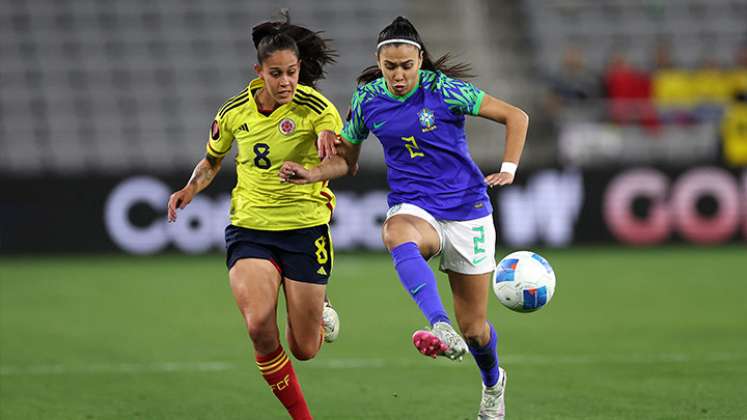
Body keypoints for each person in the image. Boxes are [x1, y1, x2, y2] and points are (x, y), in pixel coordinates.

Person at [280, 16, 528, 420]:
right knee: (396, 233)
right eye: (390, 66)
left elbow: (516, 116)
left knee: (477, 330)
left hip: (467, 211)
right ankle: (438, 324)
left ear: (419, 61)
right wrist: (312, 173)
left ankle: (492, 383)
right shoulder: (367, 100)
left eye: (406, 66)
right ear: (379, 63)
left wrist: (509, 168)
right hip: (415, 206)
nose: (398, 75)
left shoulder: (445, 90)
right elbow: (347, 162)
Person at [167, 12, 342, 420]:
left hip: (304, 229)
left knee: (305, 349)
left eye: (292, 73)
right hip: (250, 229)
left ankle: (320, 307)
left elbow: (333, 140)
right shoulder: (233, 113)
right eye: (276, 73)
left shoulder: (315, 106)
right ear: (258, 72)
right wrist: (190, 187)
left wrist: (324, 140)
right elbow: (212, 161)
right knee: (259, 325)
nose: (285, 82)